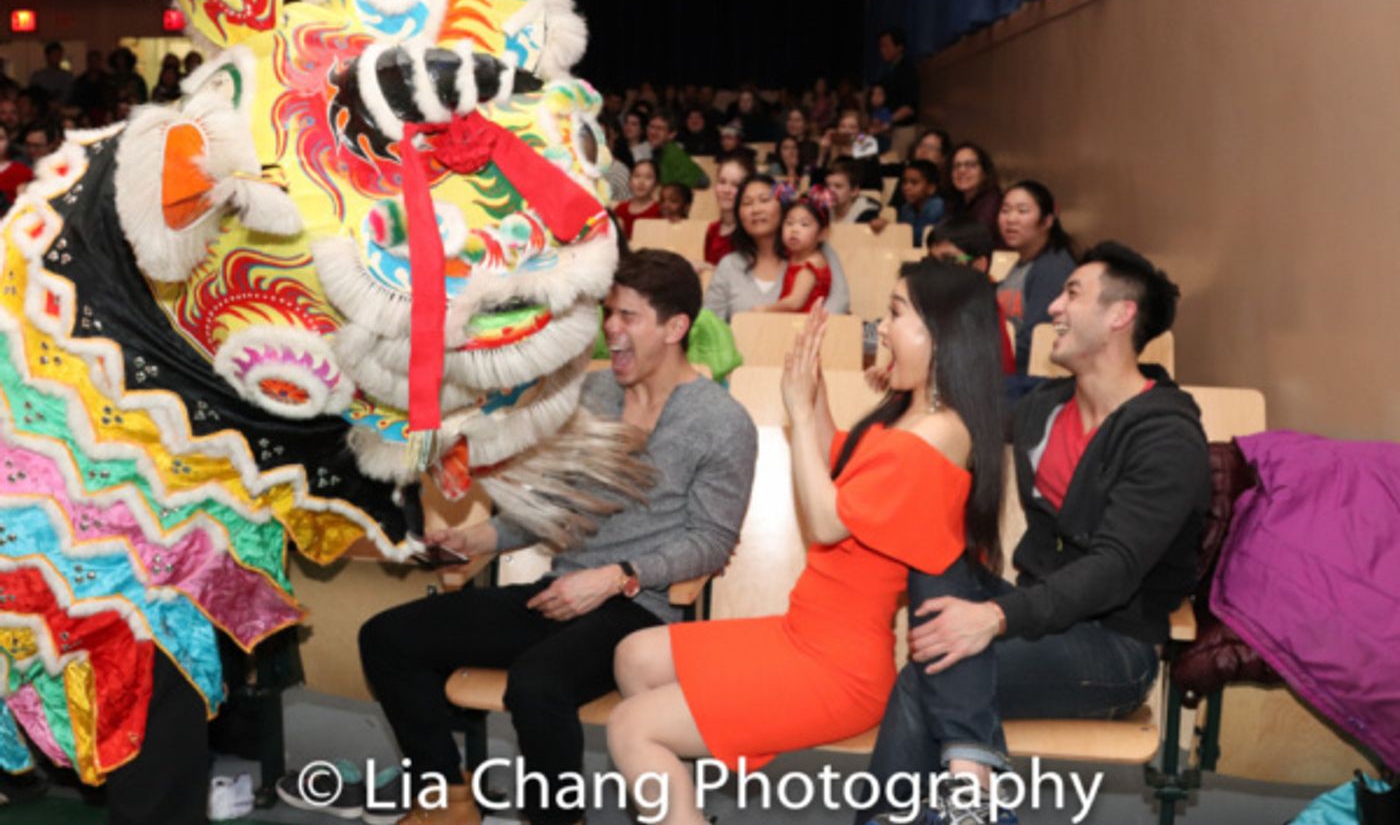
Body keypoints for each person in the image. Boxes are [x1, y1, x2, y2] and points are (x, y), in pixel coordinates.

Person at [355, 250, 758, 825]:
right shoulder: (594, 396)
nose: (611, 330)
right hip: (560, 591)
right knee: (388, 638)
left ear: (676, 328)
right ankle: (446, 799)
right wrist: (480, 538)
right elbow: (556, 510)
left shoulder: (723, 422)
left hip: (639, 609)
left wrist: (617, 575)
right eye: (609, 313)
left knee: (536, 685)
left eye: (629, 317)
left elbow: (712, 541)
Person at [607, 261, 1006, 825]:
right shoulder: (917, 415)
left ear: (941, 331)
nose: (882, 329)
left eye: (895, 314)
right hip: (803, 633)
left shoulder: (941, 433)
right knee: (635, 655)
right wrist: (812, 389)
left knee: (632, 727)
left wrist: (796, 406)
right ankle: (682, 809)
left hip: (837, 668)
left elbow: (825, 520)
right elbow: (838, 465)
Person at [863, 242, 1208, 825]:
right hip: (1034, 614)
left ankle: (954, 799)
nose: (1052, 307)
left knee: (930, 673)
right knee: (933, 551)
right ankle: (970, 796)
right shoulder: (1046, 407)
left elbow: (1114, 569)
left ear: (1121, 315)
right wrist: (906, 375)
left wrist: (992, 619)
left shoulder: (1167, 437)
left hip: (1113, 646)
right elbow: (957, 412)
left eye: (1072, 293)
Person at [703, 175, 852, 319]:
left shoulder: (814, 250)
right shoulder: (729, 265)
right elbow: (710, 324)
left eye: (764, 200)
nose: (756, 209)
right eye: (747, 203)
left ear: (783, 207)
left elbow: (839, 301)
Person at [996, 180, 1076, 375]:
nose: (1010, 219)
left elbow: (1037, 338)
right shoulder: (1024, 260)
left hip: (1028, 379)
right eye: (1005, 210)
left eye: (1022, 211)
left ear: (1047, 221)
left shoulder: (1052, 268)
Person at [927, 221, 1016, 376]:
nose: (936, 270)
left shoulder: (984, 310)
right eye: (932, 261)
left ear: (979, 265)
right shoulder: (931, 299)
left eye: (949, 260)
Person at [757, 189, 830, 313]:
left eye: (804, 224)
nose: (794, 229)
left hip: (804, 325)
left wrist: (765, 309)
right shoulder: (794, 255)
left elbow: (795, 302)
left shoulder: (812, 263)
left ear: (822, 234)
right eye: (789, 223)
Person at [702, 152, 754, 266]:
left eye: (735, 185)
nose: (726, 190)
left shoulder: (751, 232)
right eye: (722, 182)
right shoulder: (712, 230)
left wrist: (708, 268)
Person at [876, 28, 920, 159]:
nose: (882, 50)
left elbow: (910, 106)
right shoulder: (887, 71)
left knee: (895, 167)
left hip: (903, 129)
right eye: (880, 46)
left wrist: (887, 121)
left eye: (886, 46)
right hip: (887, 130)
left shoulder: (907, 70)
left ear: (899, 47)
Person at [946, 143, 1002, 242]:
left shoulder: (992, 201)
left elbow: (974, 244)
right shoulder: (956, 201)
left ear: (984, 172)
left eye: (970, 165)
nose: (962, 170)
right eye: (956, 166)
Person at [645, 111, 710, 189]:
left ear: (671, 134)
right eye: (651, 127)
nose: (653, 132)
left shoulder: (672, 153)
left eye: (659, 128)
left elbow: (703, 181)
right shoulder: (658, 151)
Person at [895, 160, 944, 248]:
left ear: (931, 188)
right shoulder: (906, 209)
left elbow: (919, 239)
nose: (907, 187)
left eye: (914, 183)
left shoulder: (937, 206)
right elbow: (903, 239)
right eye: (904, 182)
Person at [825, 156, 882, 225]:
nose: (830, 191)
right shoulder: (822, 209)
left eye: (838, 186)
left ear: (854, 191)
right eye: (827, 186)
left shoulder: (867, 214)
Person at [614, 159, 662, 240]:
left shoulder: (660, 210)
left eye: (648, 177)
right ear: (630, 181)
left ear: (656, 183)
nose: (641, 182)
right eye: (637, 176)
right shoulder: (620, 209)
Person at [28, 42, 74, 106]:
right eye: (54, 55)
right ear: (47, 56)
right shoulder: (38, 77)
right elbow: (33, 96)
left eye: (59, 55)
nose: (57, 58)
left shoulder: (68, 77)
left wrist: (59, 103)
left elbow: (69, 94)